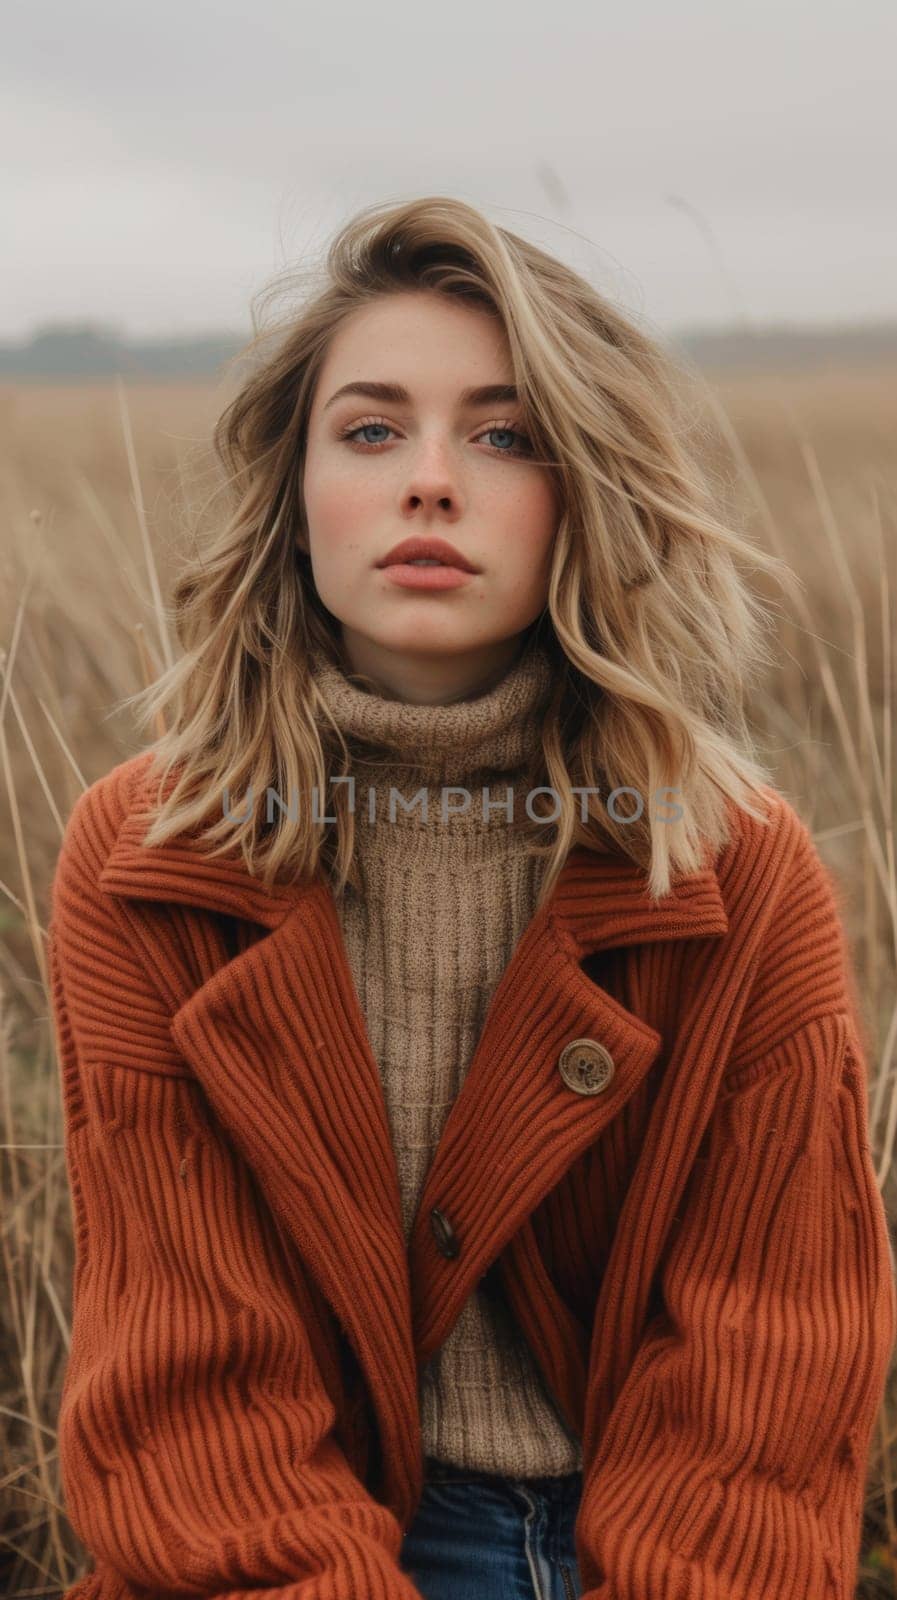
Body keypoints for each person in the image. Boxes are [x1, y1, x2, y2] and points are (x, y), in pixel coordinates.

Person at [48, 195, 895, 1600]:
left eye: (502, 435)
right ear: (292, 492)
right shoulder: (150, 859)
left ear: (586, 493)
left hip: (639, 1550)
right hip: (296, 1555)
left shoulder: (733, 869)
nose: (429, 480)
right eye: (371, 430)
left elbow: (763, 1375)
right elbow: (191, 1385)